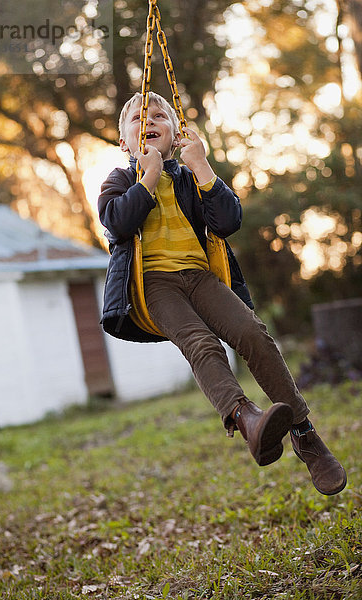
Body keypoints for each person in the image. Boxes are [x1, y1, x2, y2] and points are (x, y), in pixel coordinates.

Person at [98, 91, 347, 496]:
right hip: (154, 285)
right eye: (138, 118)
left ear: (176, 133)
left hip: (200, 276)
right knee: (201, 344)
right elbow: (118, 223)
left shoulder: (189, 177)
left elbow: (228, 220)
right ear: (123, 142)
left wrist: (201, 165)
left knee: (253, 333)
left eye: (159, 115)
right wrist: (147, 176)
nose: (149, 120)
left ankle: (305, 434)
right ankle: (247, 419)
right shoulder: (120, 180)